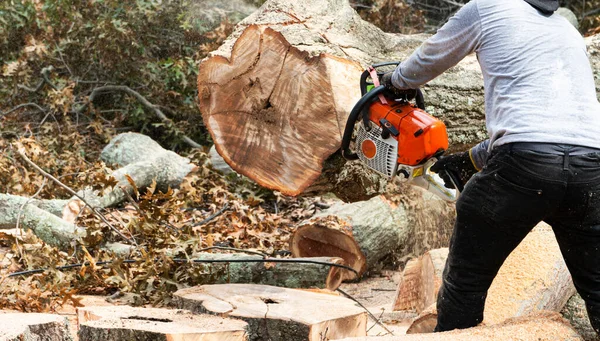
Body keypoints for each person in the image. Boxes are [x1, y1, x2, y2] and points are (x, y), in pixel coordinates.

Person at [381, 0, 600, 333]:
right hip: (592, 171)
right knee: (598, 287)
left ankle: (457, 334)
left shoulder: (487, 8)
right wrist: (471, 160)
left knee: (467, 281)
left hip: (525, 167)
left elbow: (430, 58)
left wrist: (396, 82)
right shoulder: (567, 31)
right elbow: (554, 127)